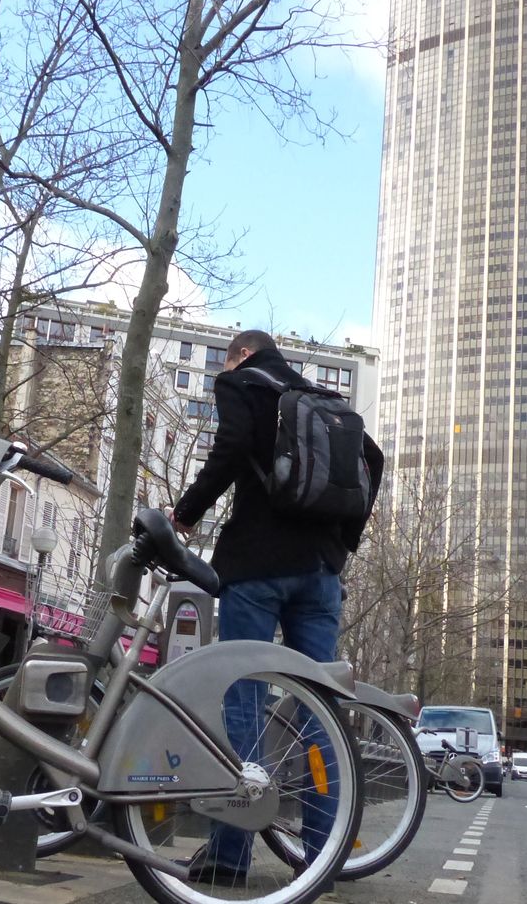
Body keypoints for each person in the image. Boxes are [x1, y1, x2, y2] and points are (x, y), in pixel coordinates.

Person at [170, 329, 383, 883]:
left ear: (240, 354)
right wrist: (343, 543)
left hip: (255, 569)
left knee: (243, 699)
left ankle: (229, 855)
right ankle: (322, 855)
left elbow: (232, 445)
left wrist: (187, 511)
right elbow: (374, 460)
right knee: (320, 713)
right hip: (320, 576)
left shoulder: (241, 383)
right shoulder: (322, 400)